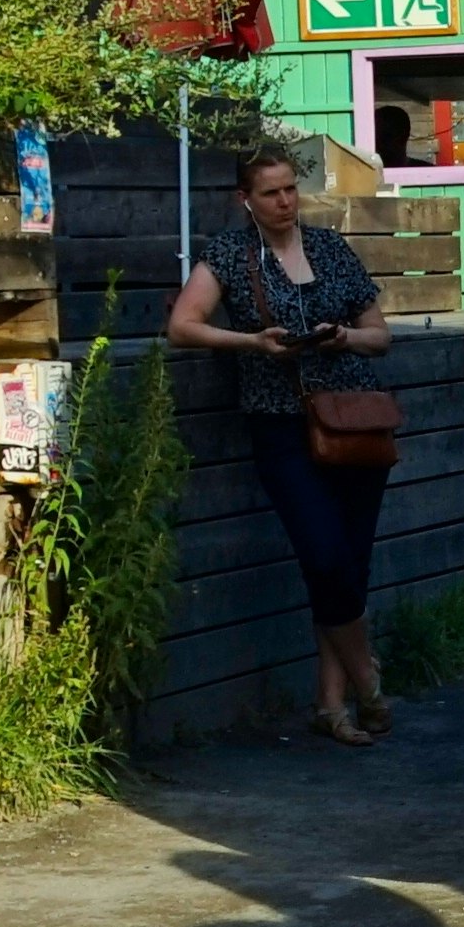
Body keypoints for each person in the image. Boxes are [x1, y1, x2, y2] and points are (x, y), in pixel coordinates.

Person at [168, 143, 396, 742]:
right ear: (245, 199)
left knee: (350, 565)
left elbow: (380, 335)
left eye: (291, 188)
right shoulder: (230, 254)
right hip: (281, 424)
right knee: (323, 557)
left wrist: (342, 336)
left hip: (354, 420)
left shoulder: (330, 247)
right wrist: (253, 343)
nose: (286, 201)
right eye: (271, 192)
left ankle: (332, 704)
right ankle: (367, 678)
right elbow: (183, 325)